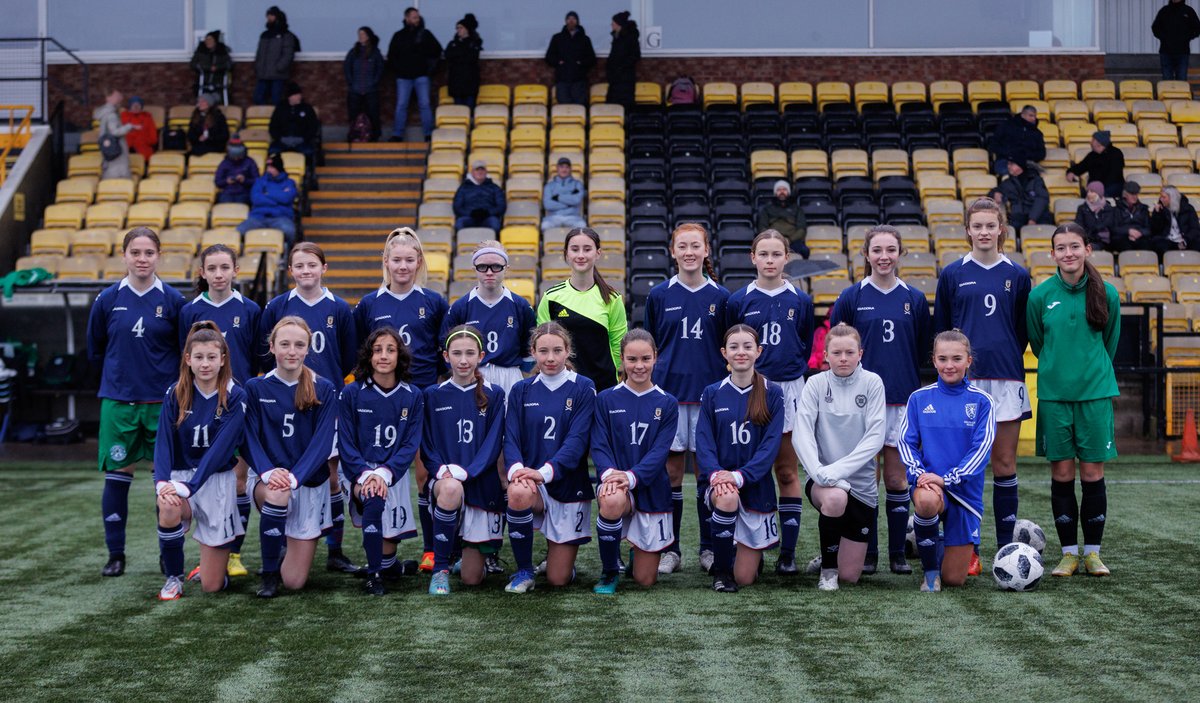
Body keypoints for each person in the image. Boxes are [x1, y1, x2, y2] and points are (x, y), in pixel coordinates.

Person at [935, 198, 1032, 574]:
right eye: (978, 226)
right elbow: (943, 329)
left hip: (1006, 378)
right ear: (968, 231)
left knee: (1004, 462)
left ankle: (1006, 547)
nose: (984, 232)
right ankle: (968, 548)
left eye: (991, 225)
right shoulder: (953, 273)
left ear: (1001, 229)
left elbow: (1023, 329)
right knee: (966, 467)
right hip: (966, 382)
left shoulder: (1018, 275)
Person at [831, 225, 932, 576]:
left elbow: (921, 349)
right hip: (859, 400)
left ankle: (896, 553)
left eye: (891, 249)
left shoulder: (914, 299)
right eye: (877, 250)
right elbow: (838, 345)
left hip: (901, 399)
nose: (884, 256)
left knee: (895, 478)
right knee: (863, 477)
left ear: (901, 253)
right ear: (866, 254)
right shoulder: (852, 296)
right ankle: (869, 551)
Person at [86, 227, 186, 577]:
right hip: (119, 401)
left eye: (148, 253)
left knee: (165, 481)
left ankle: (167, 553)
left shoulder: (174, 301)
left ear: (159, 256)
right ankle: (116, 554)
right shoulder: (107, 299)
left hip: (162, 403)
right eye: (135, 252)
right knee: (117, 476)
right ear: (124, 255)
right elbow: (95, 349)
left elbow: (184, 352)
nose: (142, 259)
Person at [257, 242, 359, 574]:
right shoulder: (277, 306)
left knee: (331, 476)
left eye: (312, 265)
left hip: (323, 403)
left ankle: (335, 549)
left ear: (324, 268)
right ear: (290, 271)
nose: (306, 271)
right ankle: (285, 542)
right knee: (281, 468)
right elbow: (265, 351)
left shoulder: (340, 308)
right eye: (299, 266)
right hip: (286, 402)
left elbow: (348, 358)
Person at [1027, 222, 1121, 578]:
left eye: (1074, 246)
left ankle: (1093, 554)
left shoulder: (1107, 293)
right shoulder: (1039, 296)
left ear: (1087, 249)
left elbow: (1109, 343)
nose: (1068, 253)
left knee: (1092, 473)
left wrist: (1090, 372)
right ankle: (1068, 554)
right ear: (1052, 254)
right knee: (1062, 473)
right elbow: (1038, 343)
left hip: (1095, 395)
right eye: (1061, 247)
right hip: (1054, 397)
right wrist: (1061, 370)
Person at [353, 228, 448, 571]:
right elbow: (362, 351)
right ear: (386, 262)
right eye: (397, 260)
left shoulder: (434, 302)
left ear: (419, 262)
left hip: (422, 395)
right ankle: (380, 546)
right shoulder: (369, 303)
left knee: (424, 472)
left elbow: (442, 354)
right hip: (380, 399)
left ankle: (431, 548)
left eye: (410, 259)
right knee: (376, 469)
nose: (403, 266)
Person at [725, 230, 815, 575]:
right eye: (763, 254)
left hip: (790, 389)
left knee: (787, 470)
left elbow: (804, 344)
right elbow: (734, 343)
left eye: (776, 254)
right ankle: (750, 545)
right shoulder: (739, 300)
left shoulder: (801, 300)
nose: (770, 260)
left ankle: (788, 553)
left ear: (786, 258)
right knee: (747, 467)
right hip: (750, 387)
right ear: (753, 258)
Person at [644, 223, 730, 574]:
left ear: (707, 250)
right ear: (673, 251)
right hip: (670, 398)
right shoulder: (659, 295)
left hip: (711, 398)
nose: (690, 251)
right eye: (683, 246)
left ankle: (708, 548)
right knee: (672, 473)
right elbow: (649, 346)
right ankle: (672, 548)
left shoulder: (722, 298)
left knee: (710, 473)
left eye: (696, 245)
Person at [178, 244, 261, 577]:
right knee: (207, 479)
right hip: (202, 407)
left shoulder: (251, 309)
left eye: (225, 267)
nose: (218, 274)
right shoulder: (189, 312)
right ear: (202, 272)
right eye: (211, 268)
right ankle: (208, 555)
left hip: (237, 405)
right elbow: (184, 358)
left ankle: (234, 555)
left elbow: (257, 357)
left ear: (236, 270)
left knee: (238, 480)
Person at [153, 321, 247, 600]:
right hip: (181, 477)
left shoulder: (235, 395)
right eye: (199, 357)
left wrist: (191, 486)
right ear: (188, 359)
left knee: (211, 586)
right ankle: (174, 577)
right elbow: (163, 443)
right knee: (167, 506)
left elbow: (220, 450)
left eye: (211, 357)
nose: (205, 364)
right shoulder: (176, 393)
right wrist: (162, 482)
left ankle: (211, 570)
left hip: (216, 481)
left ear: (222, 360)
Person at [245, 316, 338, 597]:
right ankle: (269, 573)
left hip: (306, 482)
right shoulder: (255, 388)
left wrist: (294, 478)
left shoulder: (323, 387)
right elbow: (248, 439)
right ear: (272, 347)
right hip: (268, 481)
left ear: (308, 349)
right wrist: (268, 473)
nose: (292, 351)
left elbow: (322, 446)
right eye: (284, 344)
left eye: (299, 345)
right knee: (277, 497)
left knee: (295, 582)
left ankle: (284, 542)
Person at [503, 322, 597, 593]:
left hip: (567, 484)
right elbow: (511, 437)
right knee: (517, 491)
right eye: (543, 351)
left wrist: (543, 472)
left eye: (557, 350)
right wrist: (518, 471)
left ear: (568, 351)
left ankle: (562, 561)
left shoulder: (583, 387)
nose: (551, 358)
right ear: (533, 352)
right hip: (531, 482)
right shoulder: (522, 389)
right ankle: (524, 571)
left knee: (558, 579)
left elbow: (577, 442)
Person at [899, 330, 996, 592]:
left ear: (968, 361)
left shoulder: (982, 401)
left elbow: (981, 450)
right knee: (928, 501)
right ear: (933, 360)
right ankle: (930, 574)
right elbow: (906, 443)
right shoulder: (919, 398)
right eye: (942, 358)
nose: (949, 365)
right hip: (930, 485)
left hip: (964, 491)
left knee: (955, 579)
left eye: (956, 358)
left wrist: (949, 478)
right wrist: (920, 474)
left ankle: (935, 541)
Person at [791, 323, 886, 591]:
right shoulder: (815, 384)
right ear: (825, 355)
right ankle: (828, 571)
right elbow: (802, 434)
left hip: (861, 488)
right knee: (835, 498)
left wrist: (837, 471)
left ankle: (831, 551)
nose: (843, 358)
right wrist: (821, 472)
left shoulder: (872, 383)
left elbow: (874, 439)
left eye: (849, 352)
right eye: (836, 352)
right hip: (824, 482)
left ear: (860, 354)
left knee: (851, 576)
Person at [695, 325, 786, 592]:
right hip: (720, 483)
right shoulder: (712, 392)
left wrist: (738, 476)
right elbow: (704, 442)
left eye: (748, 346)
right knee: (726, 497)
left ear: (758, 351)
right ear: (724, 353)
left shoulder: (773, 393)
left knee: (747, 577)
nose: (741, 352)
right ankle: (722, 574)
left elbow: (769, 447)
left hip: (755, 486)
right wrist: (716, 475)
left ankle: (736, 553)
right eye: (734, 347)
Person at [590, 329, 679, 593]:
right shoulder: (605, 398)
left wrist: (630, 477)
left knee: (644, 580)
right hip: (615, 483)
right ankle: (609, 572)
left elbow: (659, 453)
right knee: (611, 498)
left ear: (655, 358)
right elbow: (599, 444)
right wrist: (609, 475)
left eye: (645, 359)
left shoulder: (668, 402)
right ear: (622, 360)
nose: (638, 366)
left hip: (651, 487)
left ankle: (635, 550)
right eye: (632, 359)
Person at [338, 327, 424, 596]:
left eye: (390, 350)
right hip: (358, 470)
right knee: (373, 497)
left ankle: (389, 567)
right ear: (369, 356)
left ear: (400, 356)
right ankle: (375, 575)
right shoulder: (352, 393)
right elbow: (346, 442)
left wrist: (386, 473)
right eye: (377, 350)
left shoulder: (412, 395)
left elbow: (410, 444)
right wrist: (365, 475)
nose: (384, 356)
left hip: (393, 473)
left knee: (387, 546)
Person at [422, 326, 507, 595]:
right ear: (446, 356)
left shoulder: (495, 395)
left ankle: (464, 557)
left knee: (472, 579)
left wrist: (468, 472)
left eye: (470, 353)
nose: (463, 360)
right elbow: (427, 444)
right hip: (445, 480)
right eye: (456, 353)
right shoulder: (432, 395)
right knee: (449, 489)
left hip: (480, 481)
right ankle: (439, 571)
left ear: (480, 356)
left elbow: (493, 444)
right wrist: (442, 470)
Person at [536, 227, 628, 392]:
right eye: (575, 249)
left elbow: (618, 346)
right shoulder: (551, 298)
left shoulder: (613, 299)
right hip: (562, 387)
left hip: (603, 388)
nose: (581, 255)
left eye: (587, 249)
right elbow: (543, 345)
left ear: (598, 253)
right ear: (566, 254)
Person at [442, 240, 536, 397]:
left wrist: (524, 377)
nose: (490, 272)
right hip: (473, 374)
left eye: (496, 266)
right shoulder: (461, 306)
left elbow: (529, 346)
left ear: (506, 268)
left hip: (510, 375)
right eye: (482, 267)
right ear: (474, 269)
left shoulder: (520, 305)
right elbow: (446, 345)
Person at [386, 7, 441, 142]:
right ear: (407, 18)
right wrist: (399, 70)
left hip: (421, 75)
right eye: (414, 17)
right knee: (401, 104)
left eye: (418, 17)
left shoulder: (425, 34)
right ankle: (397, 134)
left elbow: (437, 51)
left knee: (425, 104)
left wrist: (428, 68)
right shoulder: (398, 36)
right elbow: (391, 56)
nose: (417, 19)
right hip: (403, 77)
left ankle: (428, 134)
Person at [236, 153, 298, 245]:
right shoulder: (260, 181)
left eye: (272, 167)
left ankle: (286, 256)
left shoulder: (289, 182)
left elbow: (287, 199)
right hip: (258, 217)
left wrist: (267, 194)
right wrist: (278, 198)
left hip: (281, 217)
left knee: (290, 232)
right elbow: (256, 199)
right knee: (238, 231)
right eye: (268, 167)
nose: (269, 170)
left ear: (278, 168)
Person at [545, 11, 596, 106]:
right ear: (565, 21)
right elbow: (549, 56)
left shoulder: (584, 39)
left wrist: (580, 63)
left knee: (579, 106)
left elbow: (591, 58)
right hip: (562, 79)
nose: (571, 21)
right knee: (564, 106)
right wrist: (558, 62)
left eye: (574, 19)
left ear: (577, 21)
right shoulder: (557, 38)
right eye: (569, 19)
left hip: (579, 80)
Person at [344, 27, 385, 142]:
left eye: (363, 34)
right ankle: (354, 135)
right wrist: (351, 83)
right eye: (359, 34)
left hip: (371, 90)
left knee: (373, 114)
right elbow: (347, 68)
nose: (361, 36)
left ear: (368, 36)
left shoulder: (375, 52)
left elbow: (380, 68)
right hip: (355, 90)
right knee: (353, 114)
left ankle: (374, 136)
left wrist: (374, 82)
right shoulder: (353, 52)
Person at [253, 6, 299, 107]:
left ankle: (276, 121)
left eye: (271, 15)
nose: (269, 18)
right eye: (268, 16)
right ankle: (264, 119)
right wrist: (258, 66)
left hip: (278, 75)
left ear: (277, 17)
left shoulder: (286, 35)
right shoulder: (265, 35)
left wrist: (279, 67)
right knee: (258, 98)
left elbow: (288, 54)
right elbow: (259, 53)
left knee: (276, 99)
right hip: (263, 74)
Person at [988, 105, 1047, 176]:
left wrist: (1024, 156)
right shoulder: (1006, 126)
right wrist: (1010, 154)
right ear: (1023, 114)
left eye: (1035, 116)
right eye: (1031, 116)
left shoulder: (1037, 133)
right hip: (1005, 160)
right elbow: (993, 145)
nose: (1034, 119)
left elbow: (1041, 153)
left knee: (1035, 176)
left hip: (1027, 162)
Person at [755, 181, 809, 258]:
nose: (782, 192)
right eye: (779, 190)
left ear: (788, 192)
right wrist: (774, 239)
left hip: (792, 242)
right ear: (775, 193)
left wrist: (789, 240)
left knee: (804, 250)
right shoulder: (767, 209)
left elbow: (802, 229)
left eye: (784, 189)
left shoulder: (797, 209)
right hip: (772, 241)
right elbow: (762, 228)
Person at [94, 89, 138, 180]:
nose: (120, 98)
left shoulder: (105, 114)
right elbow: (115, 132)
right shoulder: (111, 115)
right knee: (119, 183)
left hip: (109, 154)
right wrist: (129, 126)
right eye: (117, 96)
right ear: (109, 98)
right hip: (117, 156)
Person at [1066, 131, 1125, 198]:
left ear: (1099, 143)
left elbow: (1114, 175)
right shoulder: (1092, 155)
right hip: (1096, 189)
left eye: (1093, 140)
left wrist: (1099, 188)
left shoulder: (1116, 154)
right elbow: (1081, 166)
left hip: (1112, 188)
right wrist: (1071, 172)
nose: (1090, 142)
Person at [993, 160, 1051, 227]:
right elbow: (994, 191)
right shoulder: (1007, 183)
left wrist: (1032, 219)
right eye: (1008, 164)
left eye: (1012, 164)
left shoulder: (1036, 180)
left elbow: (1042, 199)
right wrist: (995, 194)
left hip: (1040, 220)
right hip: (1016, 221)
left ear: (1020, 165)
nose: (1008, 166)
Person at [269, 82, 320, 157]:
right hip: (282, 141)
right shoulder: (280, 108)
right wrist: (281, 139)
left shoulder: (307, 108)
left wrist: (303, 139)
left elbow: (313, 127)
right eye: (296, 95)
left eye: (299, 94)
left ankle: (307, 168)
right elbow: (273, 127)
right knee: (273, 151)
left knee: (309, 152)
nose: (299, 97)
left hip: (302, 141)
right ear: (289, 97)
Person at [1152, 0, 1200, 81]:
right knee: (1167, 81)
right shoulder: (1164, 11)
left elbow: (1197, 28)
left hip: (1183, 52)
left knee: (1181, 80)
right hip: (1166, 52)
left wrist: (1187, 37)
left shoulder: (1188, 11)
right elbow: (1155, 27)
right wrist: (1164, 38)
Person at [453, 160, 506, 231]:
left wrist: (488, 213)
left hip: (488, 217)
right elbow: (457, 207)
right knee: (460, 223)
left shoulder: (494, 188)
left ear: (486, 172)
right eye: (477, 170)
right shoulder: (463, 188)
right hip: (468, 217)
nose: (480, 172)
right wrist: (470, 213)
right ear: (472, 172)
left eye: (482, 169)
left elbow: (501, 206)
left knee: (495, 224)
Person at [445, 14, 482, 109]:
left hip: (470, 81)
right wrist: (460, 54)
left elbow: (471, 58)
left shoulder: (474, 43)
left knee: (469, 109)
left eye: (460, 28)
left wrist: (458, 54)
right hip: (456, 82)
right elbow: (448, 55)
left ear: (467, 29)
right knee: (458, 110)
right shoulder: (453, 43)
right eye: (457, 28)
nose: (458, 30)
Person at [1149, 185, 1200, 253]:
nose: (1161, 199)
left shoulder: (1188, 209)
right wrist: (1157, 214)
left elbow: (1195, 229)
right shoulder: (1160, 209)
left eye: (1164, 197)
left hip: (1185, 239)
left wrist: (1185, 241)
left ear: (1172, 198)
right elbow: (1155, 230)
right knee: (1157, 244)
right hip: (1167, 241)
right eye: (1160, 196)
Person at [606, 11, 640, 110]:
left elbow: (635, 56)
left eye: (613, 23)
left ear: (619, 24)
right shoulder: (616, 38)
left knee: (625, 105)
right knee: (613, 104)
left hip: (625, 79)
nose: (611, 25)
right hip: (616, 78)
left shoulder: (630, 38)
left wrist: (621, 67)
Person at [542, 157, 587, 231]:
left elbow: (576, 200)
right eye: (561, 167)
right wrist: (569, 203)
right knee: (545, 226)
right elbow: (548, 204)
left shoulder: (577, 184)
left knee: (582, 226)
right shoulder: (549, 186)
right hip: (554, 217)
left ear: (570, 169)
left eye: (567, 167)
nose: (564, 170)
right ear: (557, 168)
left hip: (573, 217)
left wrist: (558, 197)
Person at [214, 135, 260, 205]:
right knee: (225, 203)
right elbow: (218, 181)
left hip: (244, 193)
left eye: (238, 157)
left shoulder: (250, 162)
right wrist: (226, 181)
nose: (236, 159)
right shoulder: (224, 163)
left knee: (242, 201)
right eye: (234, 157)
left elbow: (257, 181)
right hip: (227, 193)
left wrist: (245, 180)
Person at [1109, 180, 1153, 253]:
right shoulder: (1116, 210)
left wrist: (1140, 233)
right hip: (1122, 238)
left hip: (1140, 237)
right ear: (1125, 194)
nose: (1134, 197)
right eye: (1132, 194)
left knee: (1146, 245)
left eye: (1136, 194)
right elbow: (1114, 228)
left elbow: (1149, 228)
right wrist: (1128, 231)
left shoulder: (1143, 209)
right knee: (1124, 245)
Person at [191, 30, 232, 100]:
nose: (207, 41)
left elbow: (229, 64)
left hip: (218, 83)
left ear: (215, 41)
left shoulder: (222, 51)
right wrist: (208, 68)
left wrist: (217, 68)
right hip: (203, 82)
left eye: (210, 39)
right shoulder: (200, 51)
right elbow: (193, 64)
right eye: (206, 39)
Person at [1074, 181, 1116, 248]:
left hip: (1104, 241)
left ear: (1099, 194)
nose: (1088, 194)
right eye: (1088, 192)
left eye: (1092, 192)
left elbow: (1108, 226)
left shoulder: (1108, 209)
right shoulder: (1082, 208)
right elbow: (1079, 226)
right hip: (1087, 239)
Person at [120, 96, 157, 161]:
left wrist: (141, 140)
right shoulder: (123, 117)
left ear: (141, 107)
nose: (136, 107)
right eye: (134, 105)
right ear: (130, 106)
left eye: (138, 105)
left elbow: (153, 138)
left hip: (143, 148)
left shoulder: (147, 118)